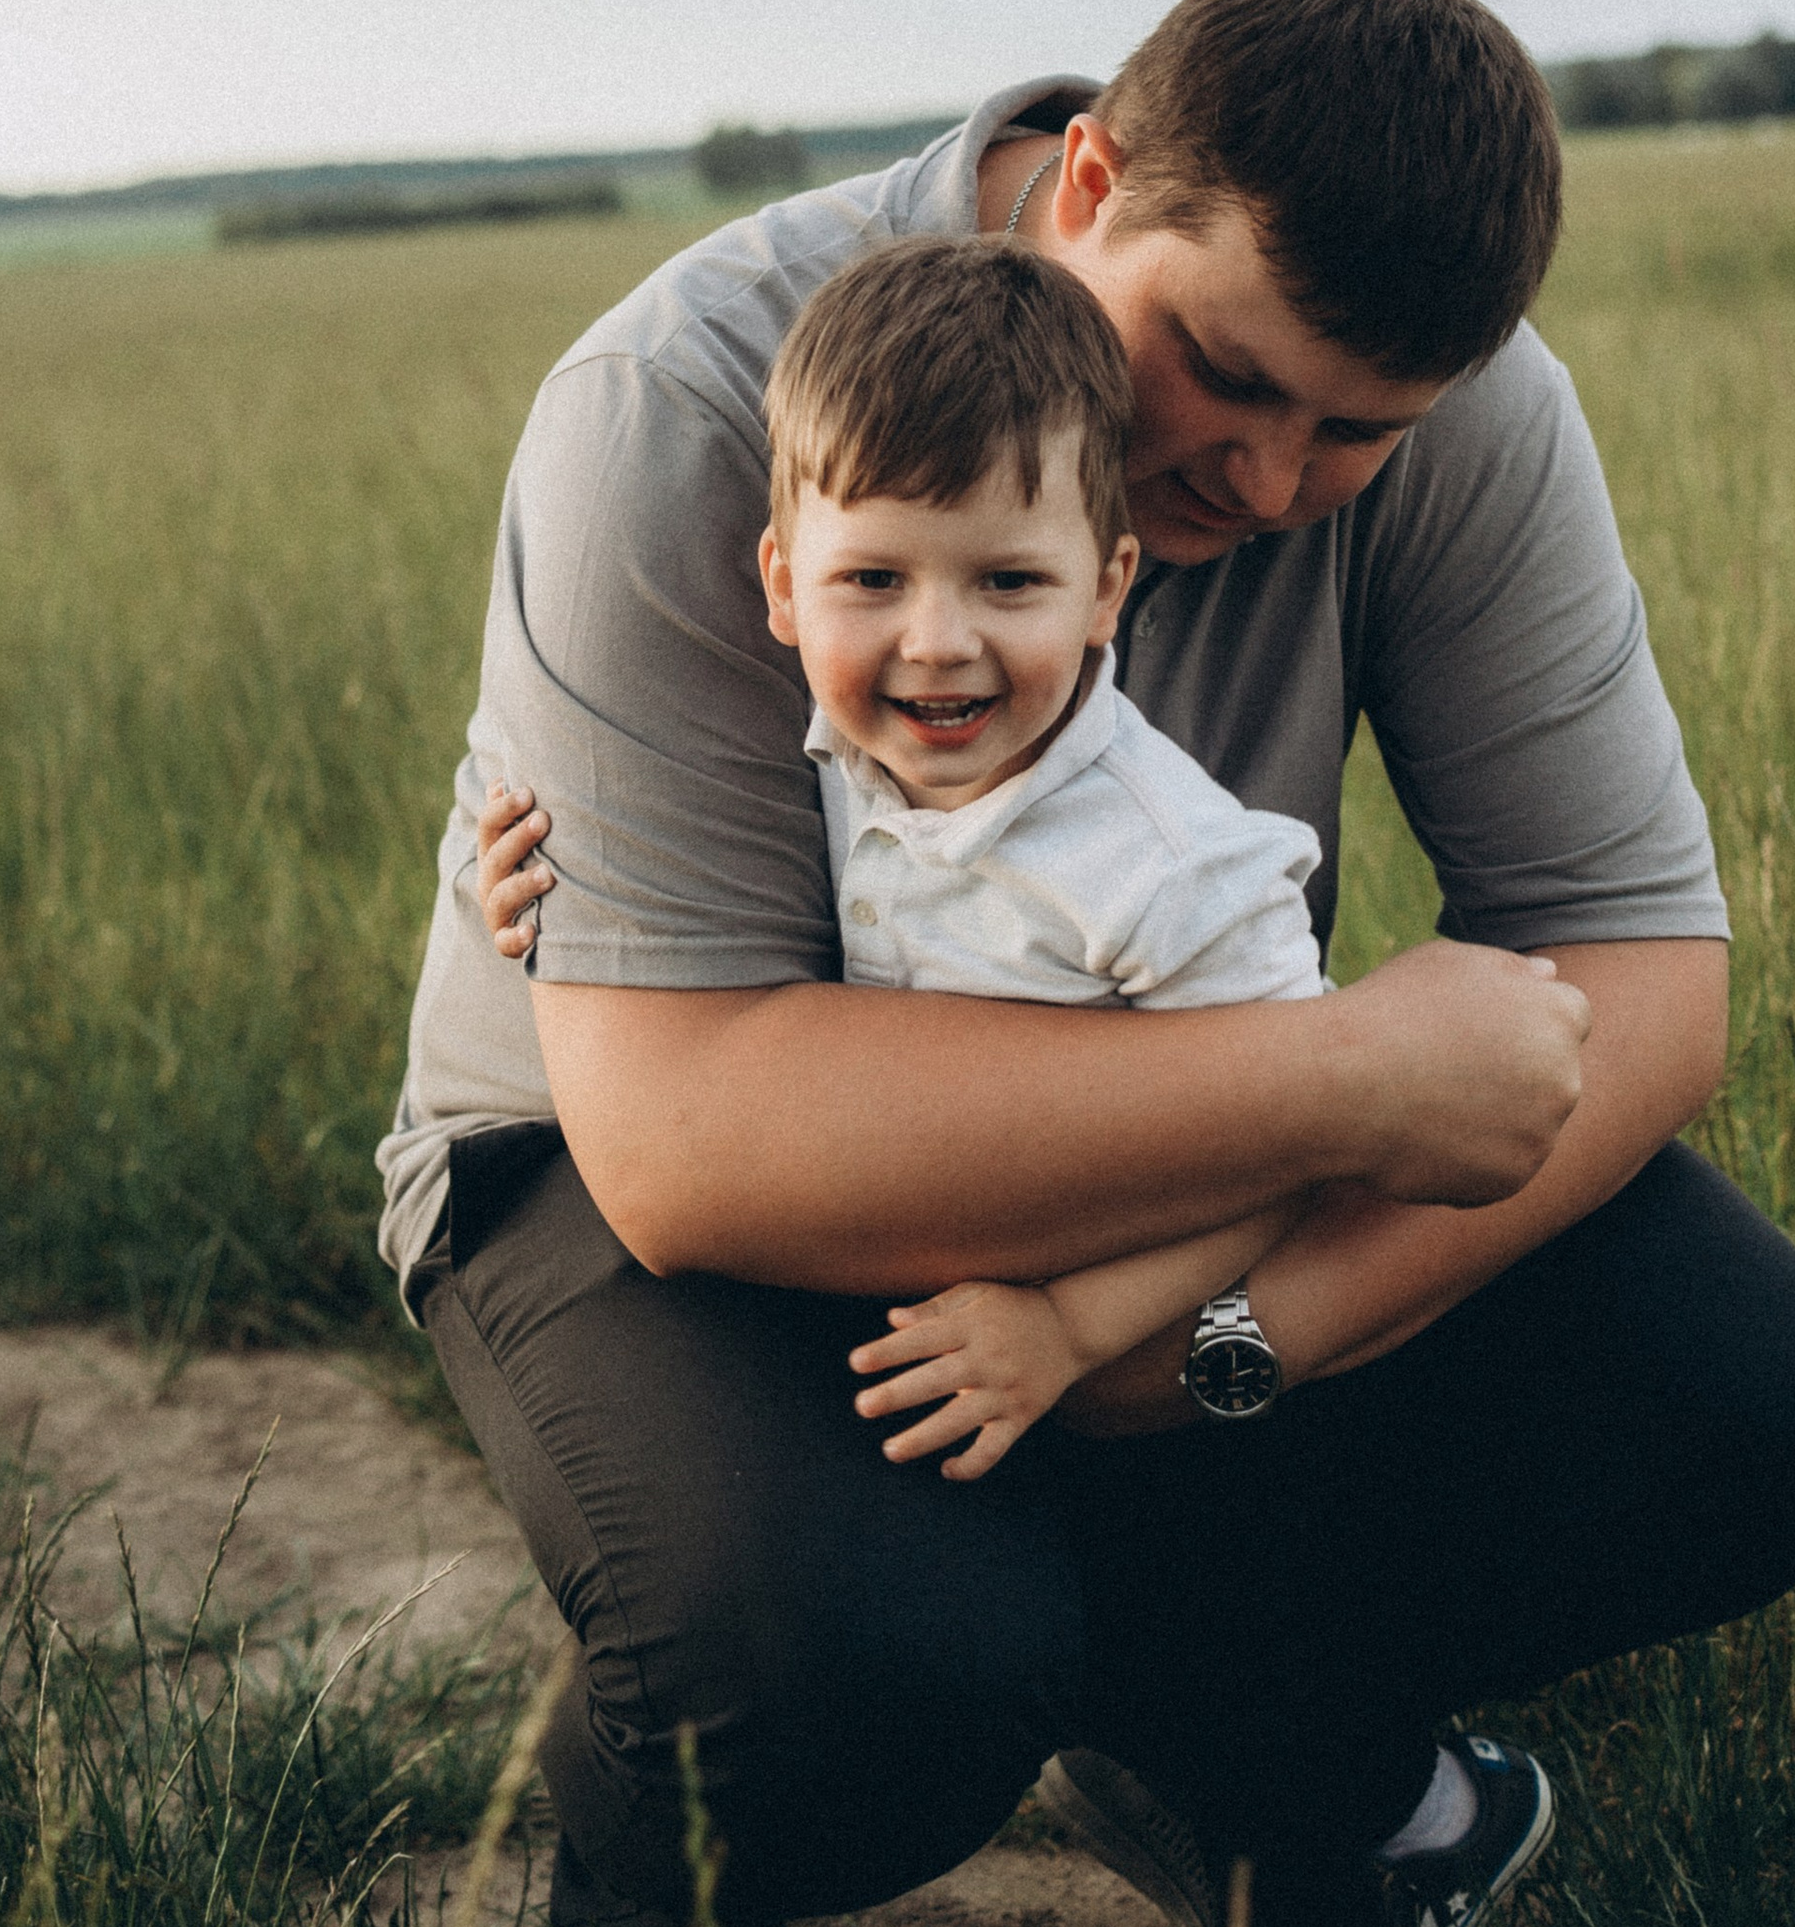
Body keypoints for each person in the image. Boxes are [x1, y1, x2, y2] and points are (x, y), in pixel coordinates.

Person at [378, 0, 1795, 1927]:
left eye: (1350, 433)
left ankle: (1285, 1771)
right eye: (1216, 374)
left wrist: (1209, 1347)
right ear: (1085, 180)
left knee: (1742, 1408)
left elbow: (1641, 971)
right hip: (620, 1171)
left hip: (1154, 1162)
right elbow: (692, 1145)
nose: (1272, 480)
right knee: (871, 1658)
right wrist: (1335, 1093)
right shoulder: (684, 400)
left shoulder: (1446, 417)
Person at [488, 230, 1334, 1487]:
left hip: (1103, 1336)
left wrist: (1070, 1331)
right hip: (875, 1282)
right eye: (872, 577)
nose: (937, 643)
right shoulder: (826, 750)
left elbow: (1283, 1158)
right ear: (783, 585)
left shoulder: (1175, 869)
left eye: (1006, 581)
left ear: (1105, 589)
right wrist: (548, 893)